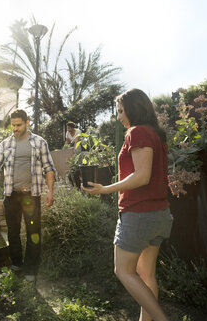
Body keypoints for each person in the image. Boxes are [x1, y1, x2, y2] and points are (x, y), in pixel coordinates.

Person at [81, 88, 172, 321]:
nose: (119, 116)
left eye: (121, 111)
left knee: (123, 271)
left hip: (139, 214)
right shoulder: (155, 134)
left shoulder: (138, 132)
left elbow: (142, 176)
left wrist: (104, 189)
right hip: (159, 215)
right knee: (146, 275)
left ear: (134, 109)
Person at [0, 109, 56, 282]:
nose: (15, 129)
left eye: (19, 125)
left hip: (32, 195)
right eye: (13, 125)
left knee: (33, 232)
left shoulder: (39, 142)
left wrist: (50, 191)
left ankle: (31, 270)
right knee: (13, 232)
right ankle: (17, 265)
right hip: (11, 195)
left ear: (27, 123)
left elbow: (49, 168)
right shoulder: (5, 144)